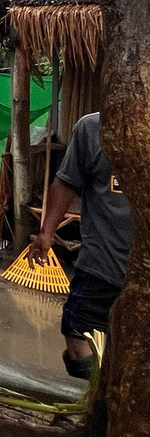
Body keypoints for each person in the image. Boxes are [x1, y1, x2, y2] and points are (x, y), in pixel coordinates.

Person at [29, 112, 132, 380]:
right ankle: (95, 394)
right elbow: (67, 181)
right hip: (102, 264)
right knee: (78, 336)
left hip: (141, 274)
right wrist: (46, 233)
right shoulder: (92, 128)